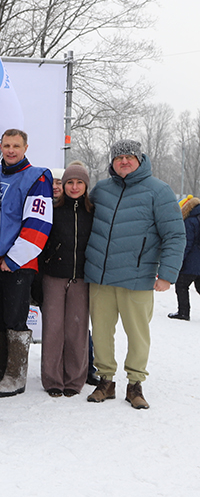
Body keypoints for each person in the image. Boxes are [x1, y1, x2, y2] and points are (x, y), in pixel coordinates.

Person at [85, 140, 185, 409]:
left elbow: (175, 235)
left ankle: (135, 383)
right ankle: (105, 381)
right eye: (119, 158)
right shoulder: (101, 190)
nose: (124, 161)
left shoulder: (159, 191)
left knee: (137, 334)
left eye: (130, 157)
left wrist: (168, 275)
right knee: (102, 332)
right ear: (112, 162)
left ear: (140, 159)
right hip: (100, 276)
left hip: (137, 277)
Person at [0, 129, 53, 397]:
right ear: (0, 147)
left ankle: (16, 375)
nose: (11, 150)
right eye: (6, 145)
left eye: (16, 146)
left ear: (25, 148)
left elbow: (38, 223)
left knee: (15, 317)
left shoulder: (37, 177)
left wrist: (14, 259)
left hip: (20, 261)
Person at [39, 162, 93, 398]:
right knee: (53, 328)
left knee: (77, 329)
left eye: (79, 182)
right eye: (69, 182)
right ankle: (52, 379)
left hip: (81, 277)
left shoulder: (93, 212)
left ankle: (74, 378)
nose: (73, 186)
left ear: (86, 186)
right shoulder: (52, 209)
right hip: (53, 276)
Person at [168, 196, 200, 321]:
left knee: (181, 285)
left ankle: (183, 312)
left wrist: (179, 260)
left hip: (192, 262)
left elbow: (186, 244)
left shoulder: (190, 221)